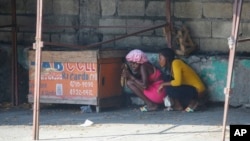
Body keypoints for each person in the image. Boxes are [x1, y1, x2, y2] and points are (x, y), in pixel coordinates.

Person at [157, 48, 206, 112]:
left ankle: (193, 103)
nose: (159, 61)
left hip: (198, 90)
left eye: (160, 58)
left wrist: (163, 84)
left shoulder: (176, 63)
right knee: (166, 78)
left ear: (167, 58)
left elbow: (178, 82)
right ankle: (179, 105)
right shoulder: (172, 66)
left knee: (168, 87)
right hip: (191, 89)